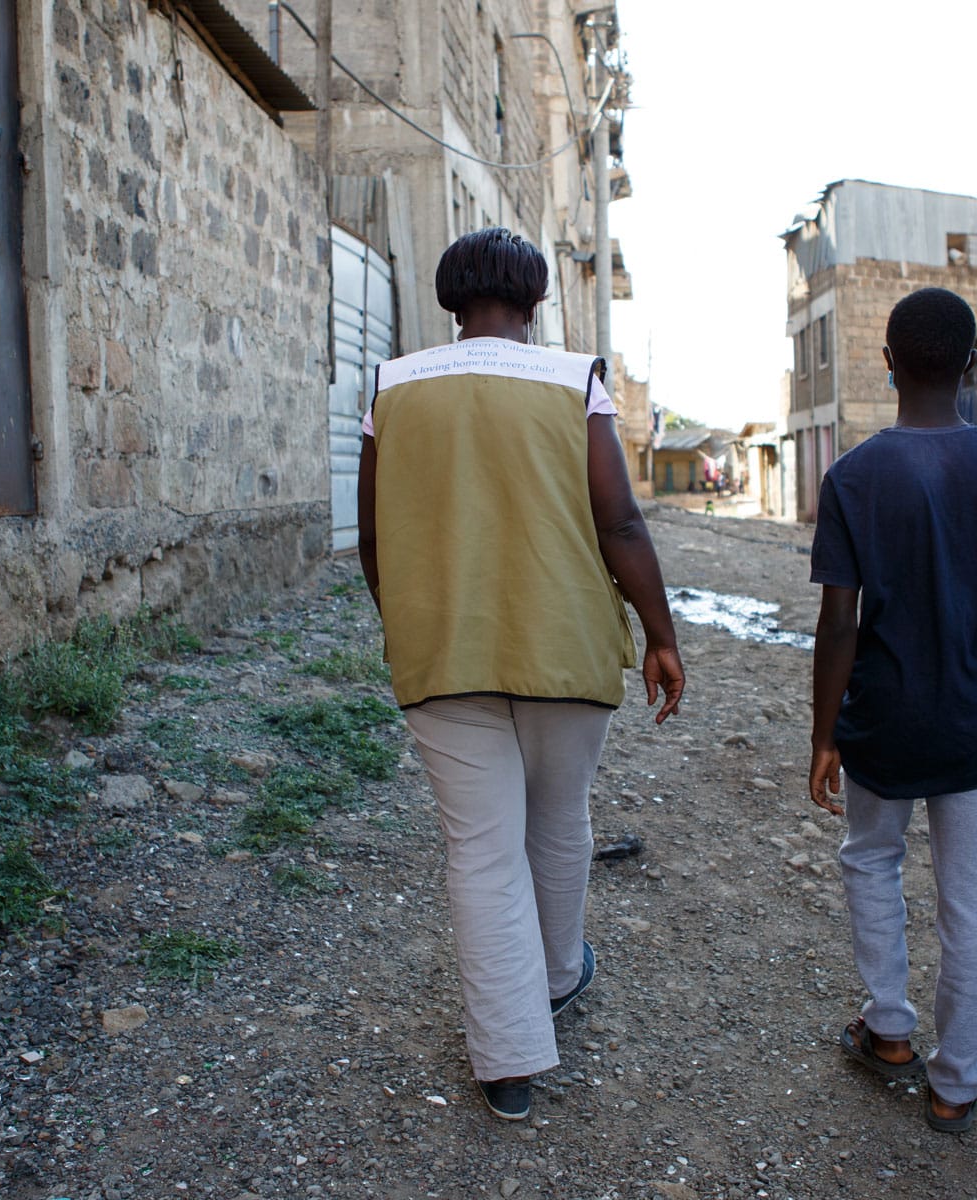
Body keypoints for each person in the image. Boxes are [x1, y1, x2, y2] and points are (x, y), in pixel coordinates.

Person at [356, 227, 685, 1123]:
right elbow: (618, 525)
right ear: (535, 302)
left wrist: (411, 622)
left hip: (441, 650)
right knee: (558, 818)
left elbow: (376, 537)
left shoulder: (394, 385)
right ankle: (550, 980)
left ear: (448, 302)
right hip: (568, 644)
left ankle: (506, 1063)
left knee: (480, 846)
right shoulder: (573, 379)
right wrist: (660, 634)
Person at [806, 287, 977, 1133]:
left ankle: (888, 1031)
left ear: (886, 365)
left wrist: (823, 735)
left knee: (870, 859)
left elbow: (838, 621)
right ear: (970, 365)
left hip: (883, 721)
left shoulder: (852, 477)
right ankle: (956, 1081)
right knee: (968, 902)